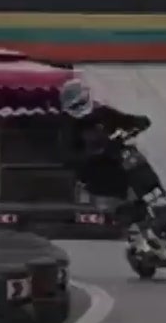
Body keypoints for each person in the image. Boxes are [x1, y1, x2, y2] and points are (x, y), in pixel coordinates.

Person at [57, 75, 156, 221]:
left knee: (131, 157)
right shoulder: (69, 126)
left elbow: (123, 119)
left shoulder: (101, 112)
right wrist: (91, 151)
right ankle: (132, 209)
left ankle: (153, 195)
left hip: (114, 158)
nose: (80, 106)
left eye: (82, 100)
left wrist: (138, 122)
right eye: (75, 105)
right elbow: (68, 153)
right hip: (94, 170)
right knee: (112, 172)